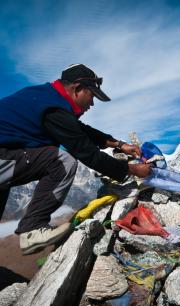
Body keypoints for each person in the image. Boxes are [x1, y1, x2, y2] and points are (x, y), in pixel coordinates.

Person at [0, 64, 151, 255]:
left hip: (5, 159)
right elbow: (88, 154)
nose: (92, 103)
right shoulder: (52, 109)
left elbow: (78, 129)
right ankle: (32, 230)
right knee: (62, 161)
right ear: (77, 88)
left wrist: (118, 144)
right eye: (92, 95)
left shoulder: (45, 98)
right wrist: (133, 170)